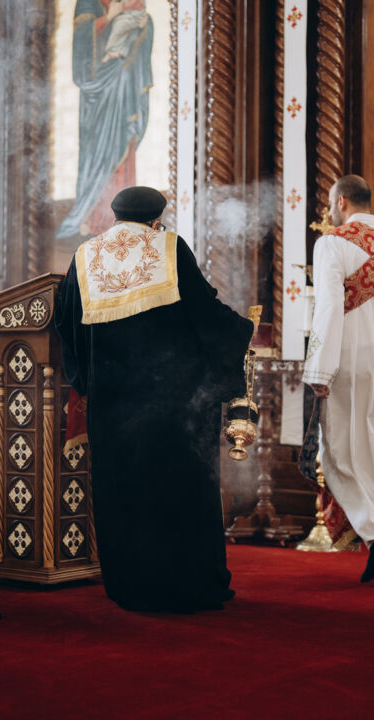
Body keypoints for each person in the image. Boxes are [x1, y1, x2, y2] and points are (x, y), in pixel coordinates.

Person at [55, 186, 254, 612]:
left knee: (123, 492)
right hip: (173, 408)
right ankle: (186, 585)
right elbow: (204, 312)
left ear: (115, 215)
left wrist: (87, 381)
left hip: (113, 408)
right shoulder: (168, 247)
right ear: (156, 218)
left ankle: (129, 585)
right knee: (175, 493)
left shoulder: (85, 255)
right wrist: (241, 330)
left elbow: (66, 324)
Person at [302, 174, 374, 583]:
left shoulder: (332, 242)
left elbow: (328, 308)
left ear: (342, 201)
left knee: (340, 454)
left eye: (331, 203)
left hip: (354, 359)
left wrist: (319, 369)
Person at [57, 1, 153, 239]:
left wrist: (144, 25)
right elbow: (82, 39)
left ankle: (128, 221)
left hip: (124, 91)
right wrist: (108, 18)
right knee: (96, 156)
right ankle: (92, 219)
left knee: (123, 149)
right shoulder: (88, 3)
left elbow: (141, 27)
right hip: (96, 99)